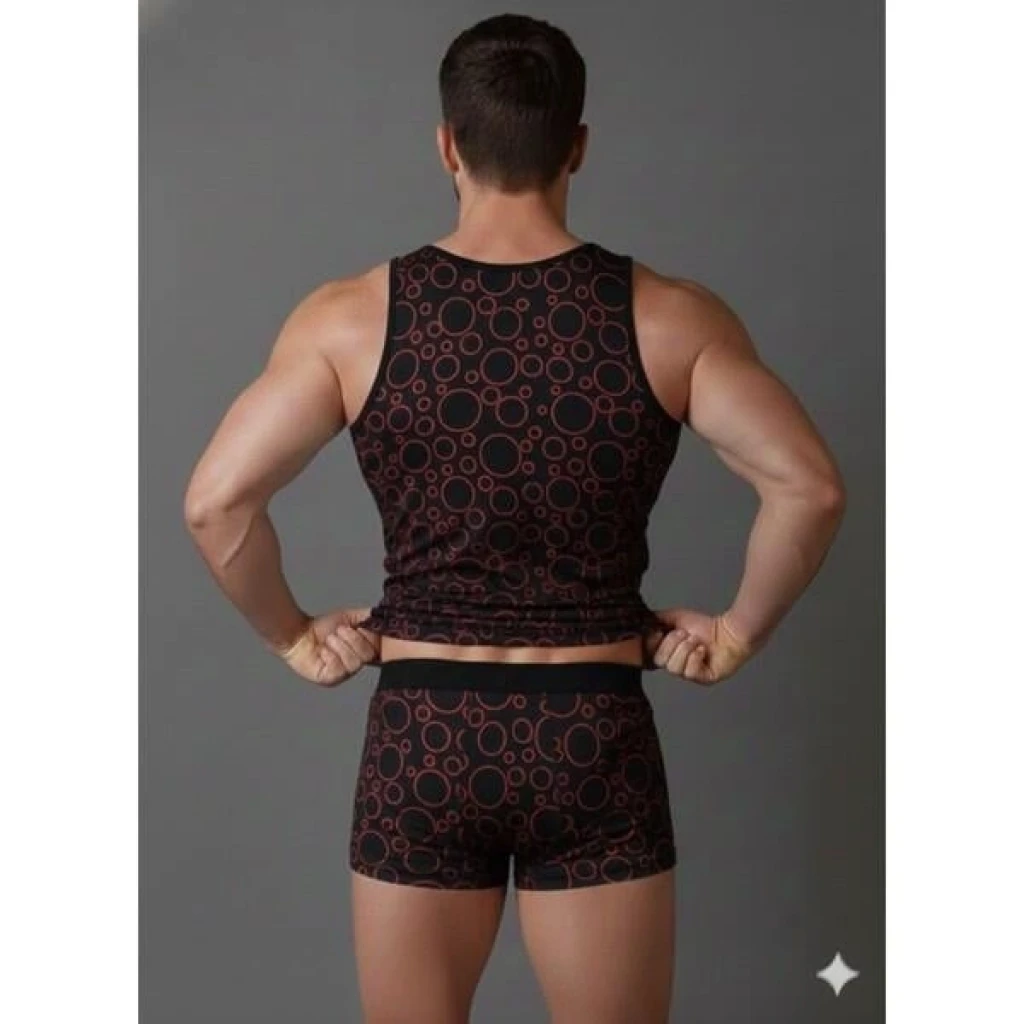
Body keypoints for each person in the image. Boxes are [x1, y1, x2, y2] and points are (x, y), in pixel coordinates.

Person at [184, 12, 846, 1024]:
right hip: (591, 733)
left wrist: (294, 636)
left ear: (446, 145)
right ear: (576, 144)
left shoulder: (350, 318)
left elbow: (216, 503)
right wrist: (737, 632)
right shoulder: (670, 317)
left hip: (423, 734)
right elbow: (809, 487)